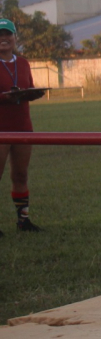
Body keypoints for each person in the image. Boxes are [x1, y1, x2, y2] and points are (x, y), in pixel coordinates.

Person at [0, 17, 42, 234]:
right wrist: (8, 97)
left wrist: (33, 94)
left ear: (15, 37)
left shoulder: (23, 63)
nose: (3, 39)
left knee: (20, 175)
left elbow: (29, 87)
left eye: (7, 34)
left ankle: (23, 222)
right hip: (0, 129)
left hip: (23, 126)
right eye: (0, 35)